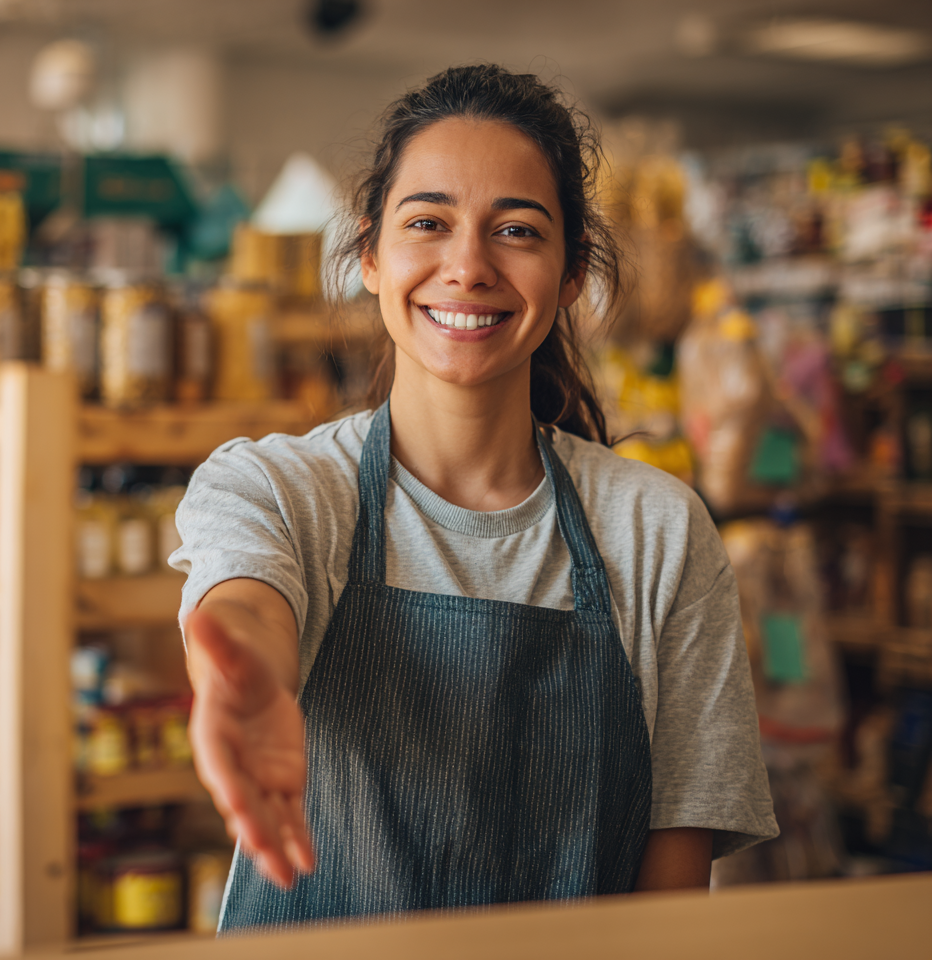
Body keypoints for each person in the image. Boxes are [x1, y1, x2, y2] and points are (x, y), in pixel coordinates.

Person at [170, 64, 778, 932]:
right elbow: (246, 604)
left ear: (572, 274)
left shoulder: (656, 530)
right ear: (370, 257)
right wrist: (248, 684)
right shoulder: (276, 486)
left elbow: (671, 893)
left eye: (518, 231)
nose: (467, 266)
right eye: (428, 223)